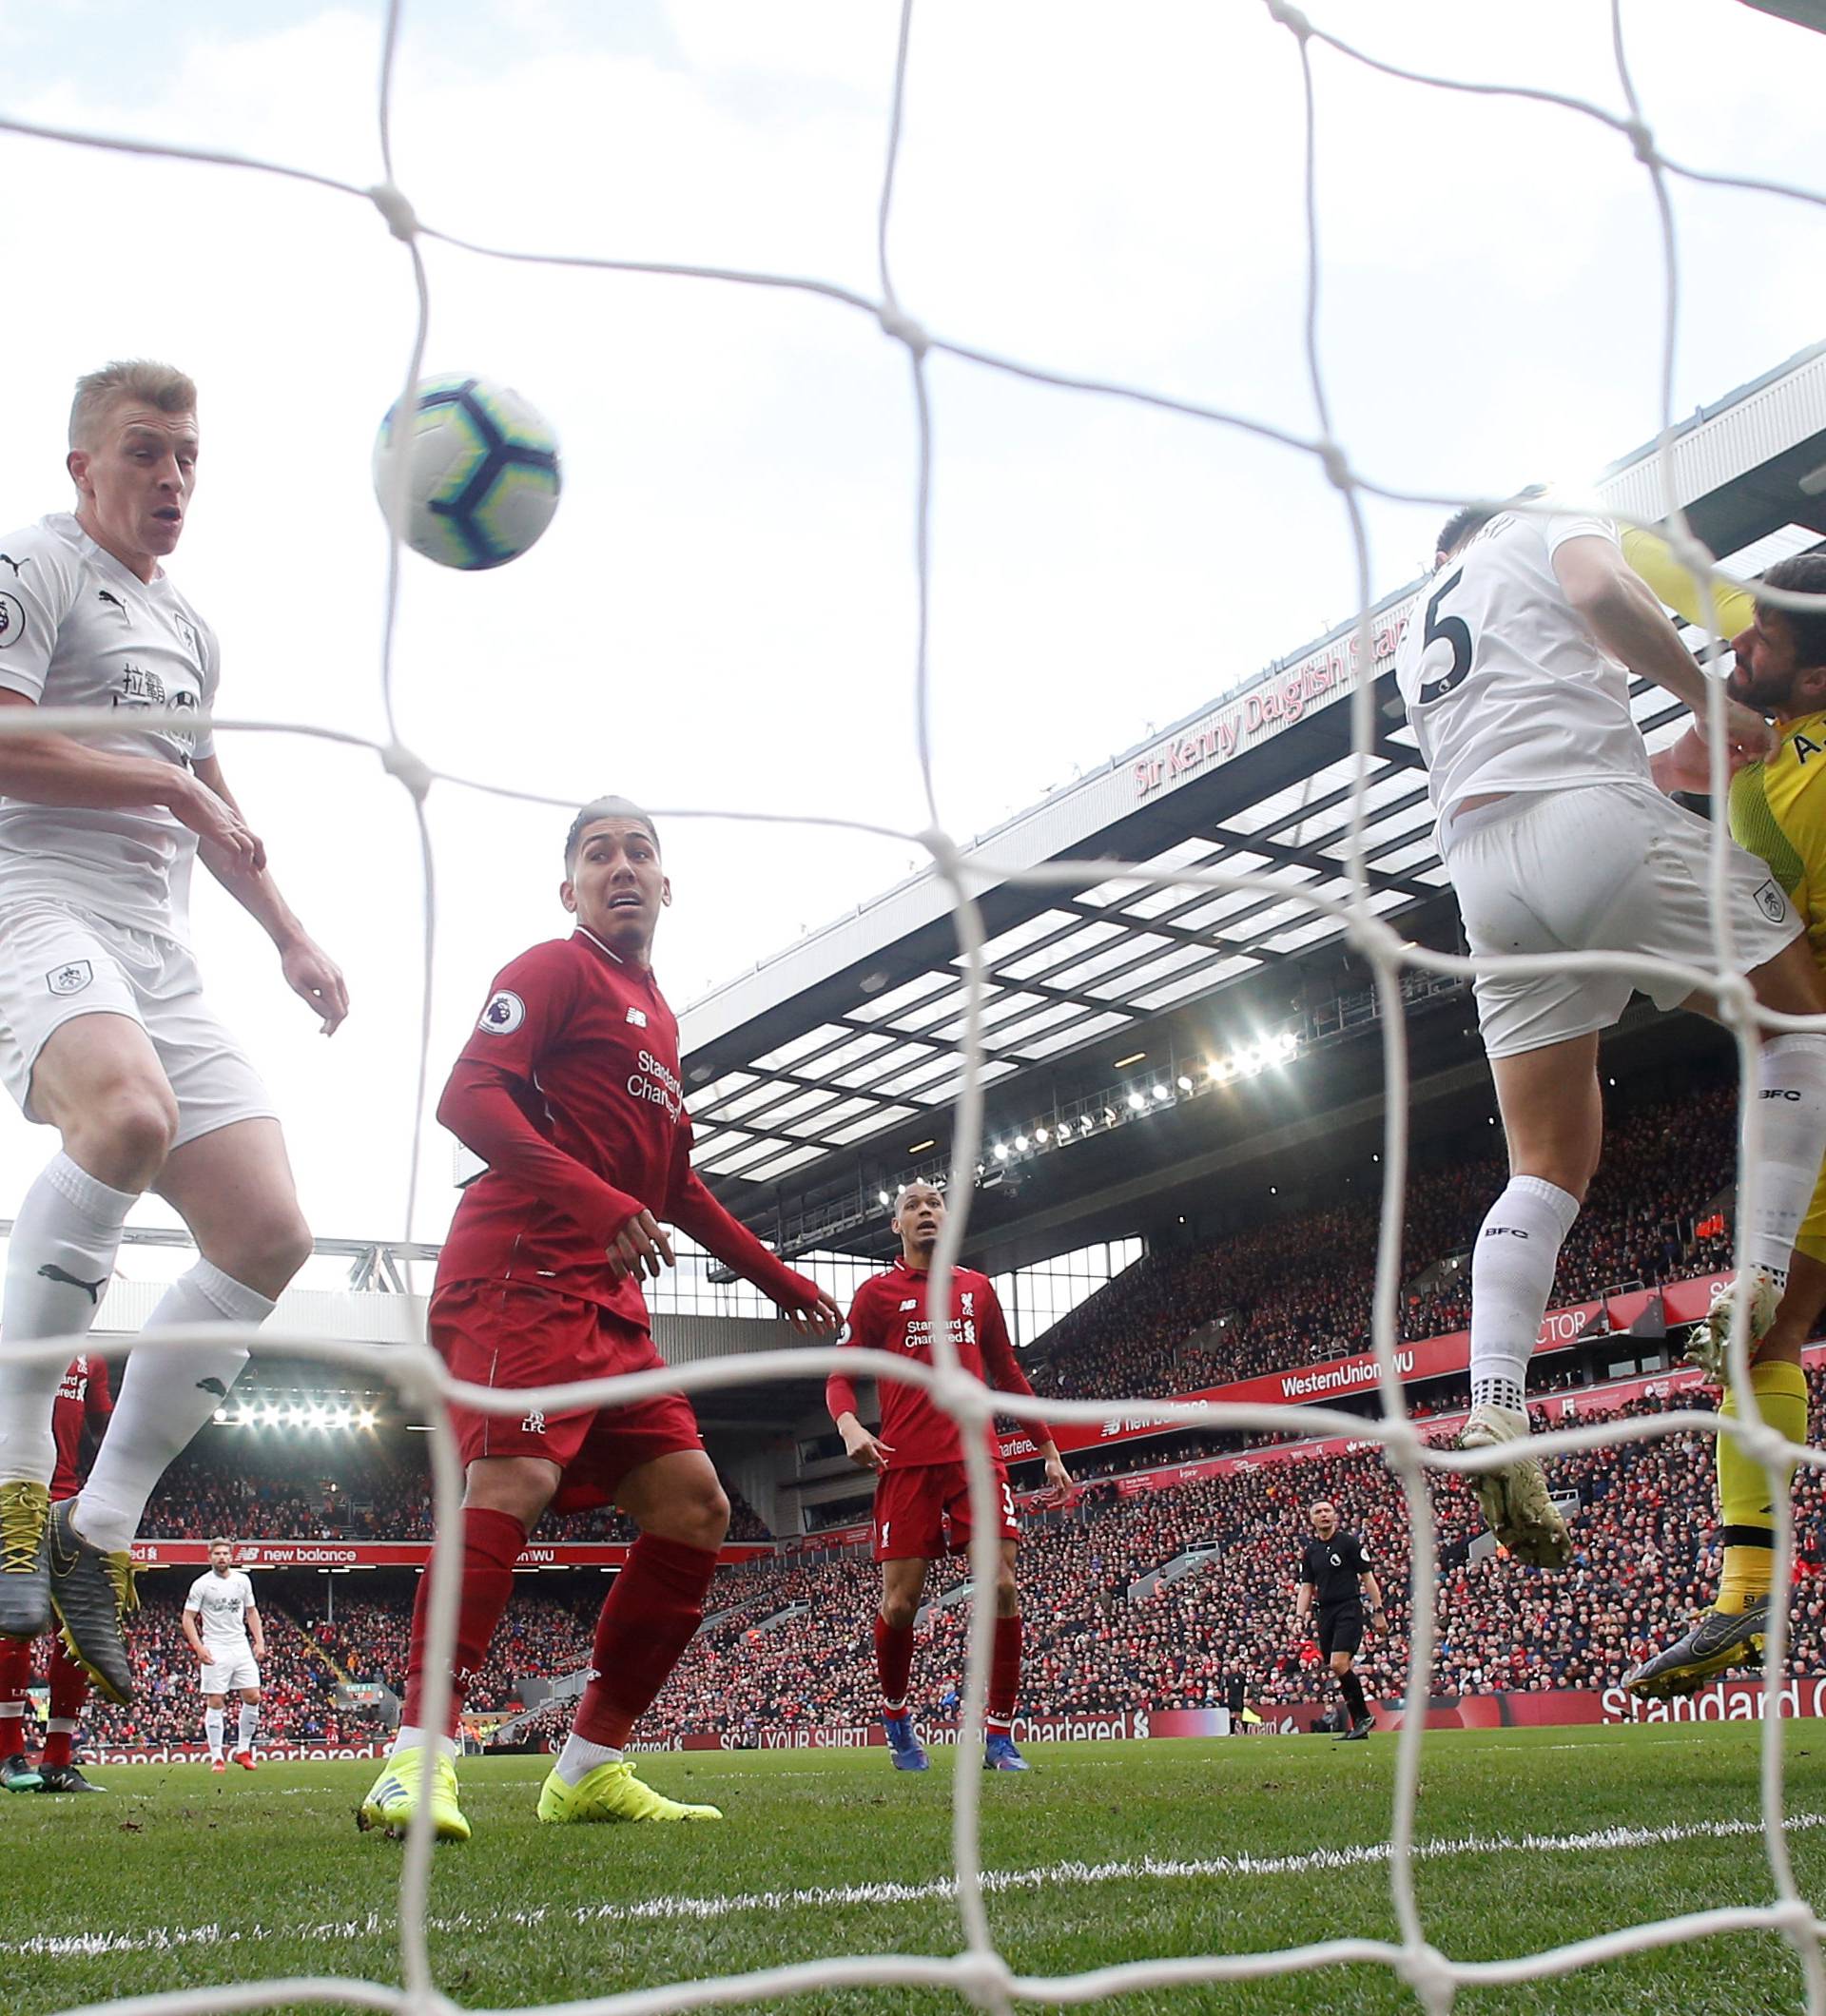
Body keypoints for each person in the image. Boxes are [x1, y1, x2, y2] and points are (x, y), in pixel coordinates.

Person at [359, 797, 840, 1841]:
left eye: (640, 851)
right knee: (514, 1476)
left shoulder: (659, 1022)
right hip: (520, 1267)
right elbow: (468, 1099)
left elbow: (675, 1183)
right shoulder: (553, 967)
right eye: (597, 853)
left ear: (668, 883)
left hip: (608, 1297)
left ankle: (588, 1765)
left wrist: (774, 1275)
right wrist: (595, 1201)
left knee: (695, 1506)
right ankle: (416, 1757)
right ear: (569, 885)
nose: (621, 866)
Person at [0, 360, 347, 1705]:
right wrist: (158, 778)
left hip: (162, 949)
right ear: (84, 464)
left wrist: (292, 933)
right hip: (35, 905)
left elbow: (216, 801)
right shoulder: (29, 565)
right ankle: (18, 1489)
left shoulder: (191, 629)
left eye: (189, 457)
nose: (173, 480)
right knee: (126, 1118)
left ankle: (102, 1528)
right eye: (146, 453)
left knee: (269, 1234)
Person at [1395, 499, 1826, 1567]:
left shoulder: (1417, 629)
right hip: (1588, 817)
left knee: (1545, 1165)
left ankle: (1496, 1400)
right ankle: (1757, 1280)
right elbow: (1600, 589)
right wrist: (1704, 700)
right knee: (1797, 1023)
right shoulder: (1538, 525)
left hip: (1484, 882)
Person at [1627, 552, 1826, 1696]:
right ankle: (1745, 1608)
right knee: (1759, 1340)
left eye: (1760, 644)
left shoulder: (1799, 779)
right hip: (1809, 1067)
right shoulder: (1769, 726)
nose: (1737, 651)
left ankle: (1748, 1605)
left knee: (1757, 1338)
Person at [826, 1180, 1071, 1773]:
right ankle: (896, 1718)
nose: (925, 1210)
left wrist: (1048, 1446)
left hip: (976, 1459)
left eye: (934, 1202)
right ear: (897, 1226)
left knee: (1002, 1587)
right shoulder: (876, 1295)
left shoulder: (977, 1290)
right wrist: (850, 1427)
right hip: (904, 1464)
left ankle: (999, 1735)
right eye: (912, 1205)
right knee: (902, 1602)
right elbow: (839, 1375)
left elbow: (1008, 1371)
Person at [0, 1352, 113, 1793]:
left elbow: (107, 1428)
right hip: (14, 1499)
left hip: (69, 1503)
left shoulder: (92, 1359)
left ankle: (58, 1761)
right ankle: (8, 1755)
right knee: (16, 1628)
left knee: (76, 1635)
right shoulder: (13, 1336)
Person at [1292, 1498, 1385, 1741]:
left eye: (1327, 1511)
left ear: (1335, 1516)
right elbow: (1306, 1587)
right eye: (1318, 1512)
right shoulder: (1311, 1551)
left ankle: (1364, 1716)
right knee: (1339, 1667)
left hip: (1349, 1608)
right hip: (1325, 1613)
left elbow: (1368, 1578)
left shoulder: (1348, 1543)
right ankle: (1359, 1726)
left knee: (1338, 1663)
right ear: (1312, 1519)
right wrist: (1299, 1617)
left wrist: (1378, 1611)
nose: (1324, 1515)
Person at [183, 1537, 264, 1772]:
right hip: (215, 1646)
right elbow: (188, 1618)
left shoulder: (243, 1581)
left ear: (232, 1557)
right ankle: (217, 1757)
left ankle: (243, 1750)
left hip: (240, 1645)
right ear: (210, 1557)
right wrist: (199, 1647)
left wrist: (259, 1641)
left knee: (253, 1696)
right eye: (217, 1554)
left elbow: (251, 1612)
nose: (221, 1557)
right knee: (216, 1700)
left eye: (225, 1554)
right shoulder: (202, 1584)